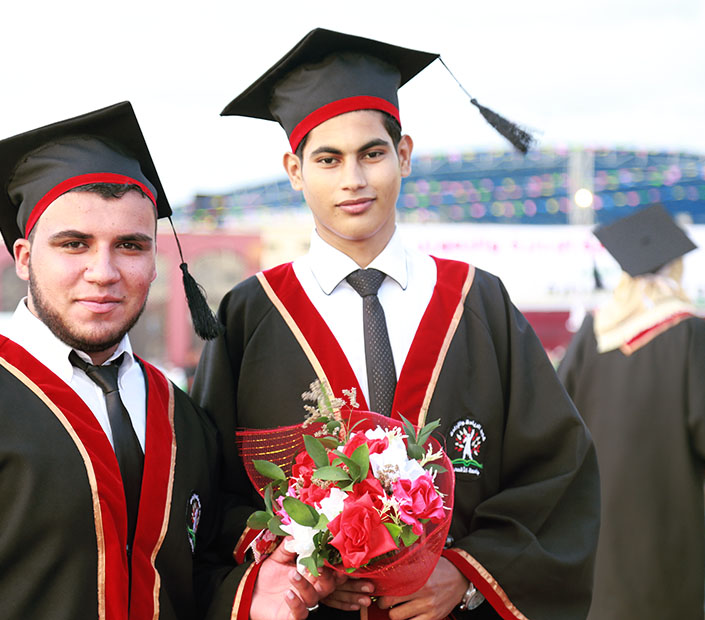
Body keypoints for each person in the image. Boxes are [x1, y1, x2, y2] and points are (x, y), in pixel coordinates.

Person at [0, 102, 331, 620]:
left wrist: (247, 594)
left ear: (155, 262)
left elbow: (187, 582)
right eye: (74, 244)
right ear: (23, 258)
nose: (102, 272)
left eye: (129, 245)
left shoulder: (182, 418)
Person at [192, 29, 600, 620]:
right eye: (327, 159)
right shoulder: (250, 314)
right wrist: (296, 566)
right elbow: (210, 491)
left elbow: (557, 475)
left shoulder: (477, 302)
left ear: (403, 154)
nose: (353, 179)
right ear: (294, 170)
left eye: (372, 154)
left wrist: (466, 574)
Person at [558, 204, 705, 620]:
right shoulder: (690, 333)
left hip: (596, 517)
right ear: (675, 269)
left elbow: (558, 421)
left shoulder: (593, 333)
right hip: (666, 515)